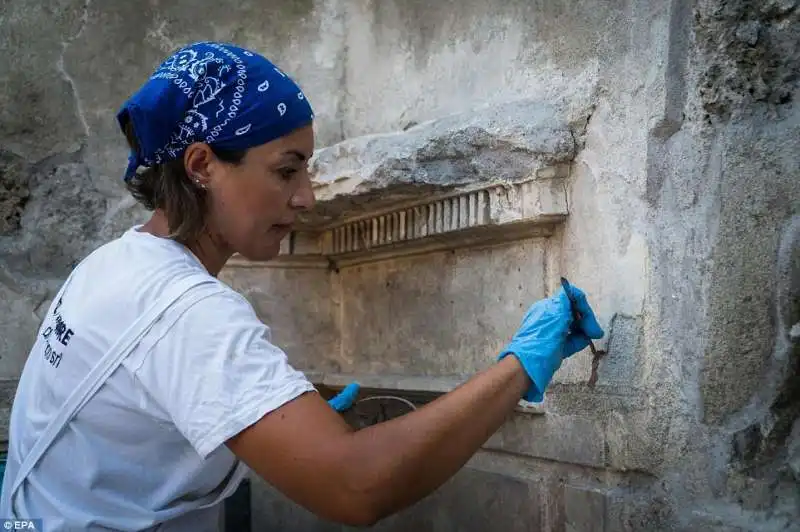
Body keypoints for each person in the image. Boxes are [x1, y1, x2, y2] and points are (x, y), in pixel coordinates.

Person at [0, 41, 604, 530]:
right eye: (285, 170)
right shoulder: (186, 312)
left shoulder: (113, 264)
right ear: (203, 165)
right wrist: (518, 367)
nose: (306, 197)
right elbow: (357, 488)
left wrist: (270, 423)